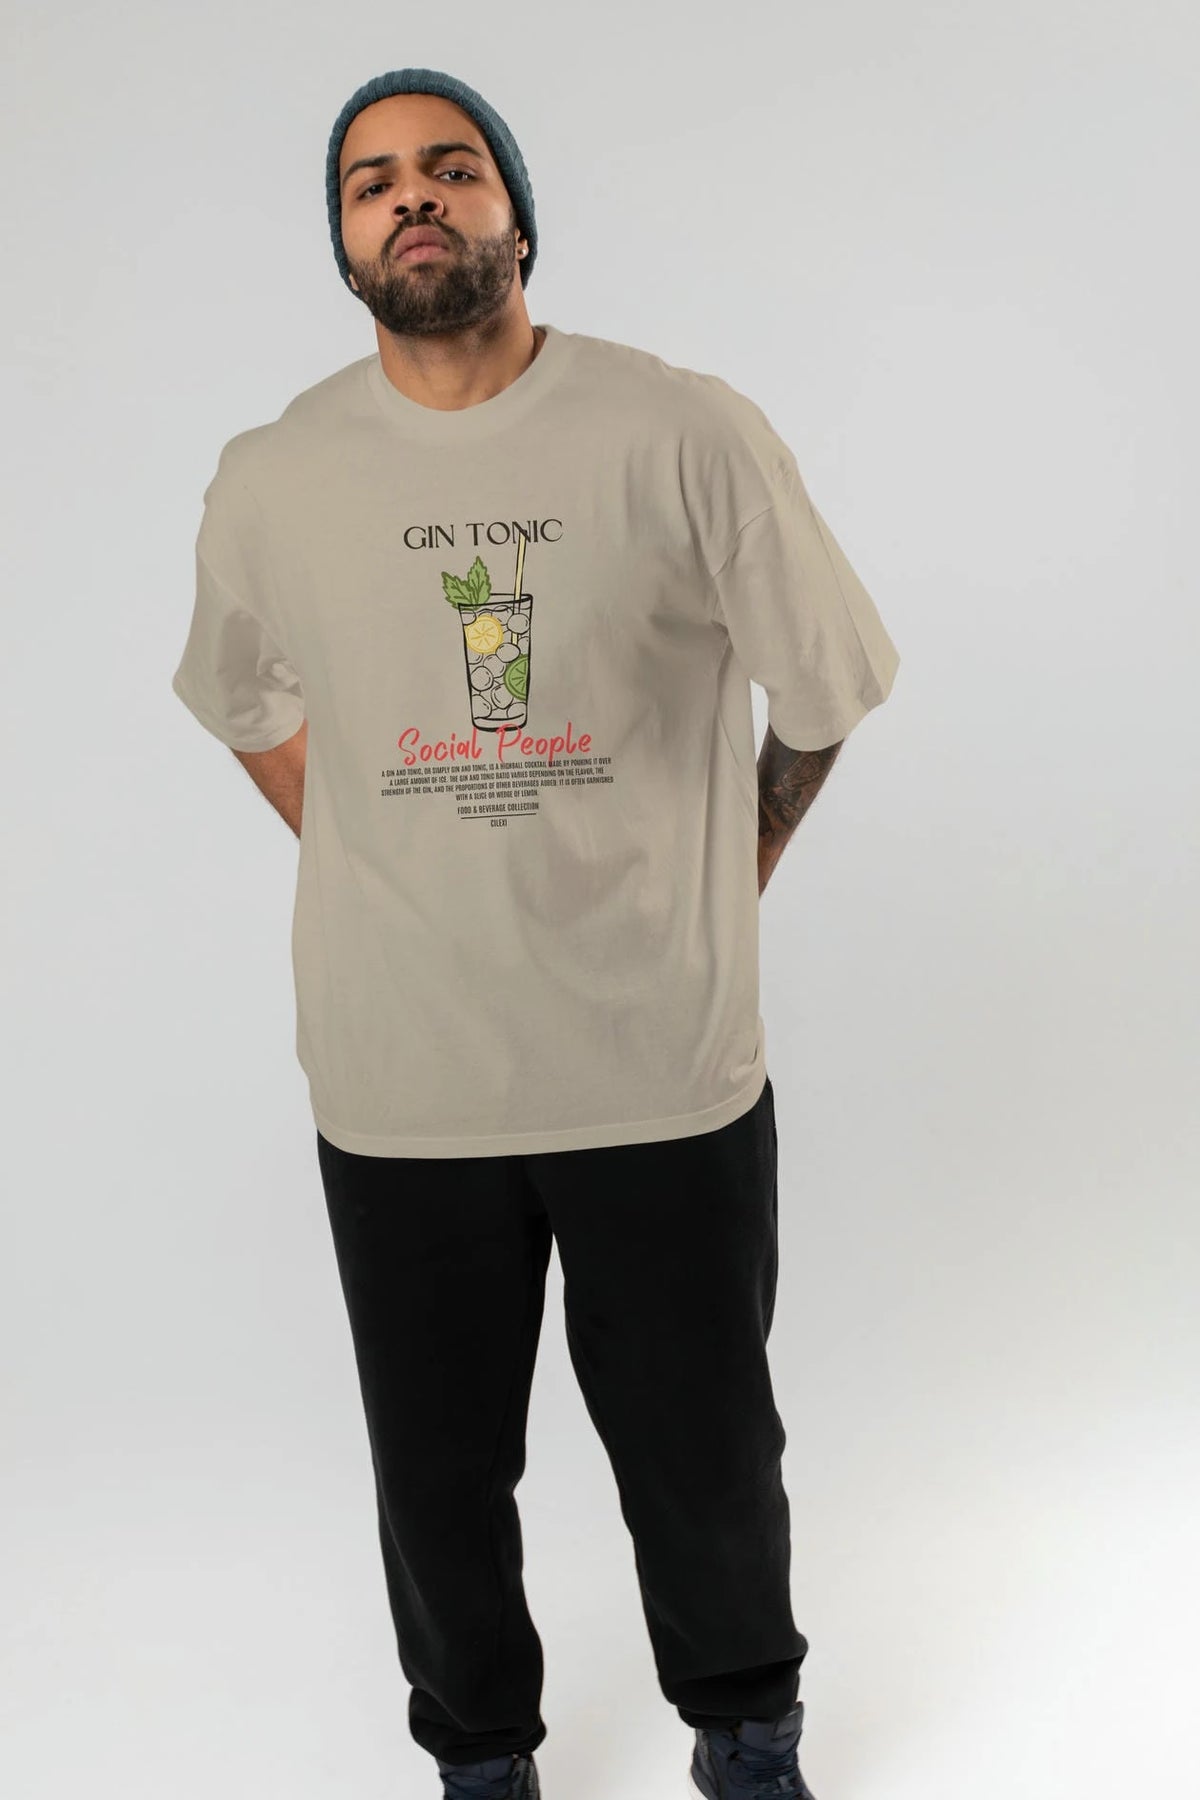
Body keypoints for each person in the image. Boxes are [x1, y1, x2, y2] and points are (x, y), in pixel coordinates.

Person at [170, 66, 900, 1800]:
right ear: (344, 242)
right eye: (372, 183)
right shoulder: (275, 475)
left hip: (659, 1061)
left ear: (516, 213)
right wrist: (374, 846)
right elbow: (241, 698)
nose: (413, 197)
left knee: (705, 1449)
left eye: (452, 167)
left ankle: (747, 1732)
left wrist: (737, 860)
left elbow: (825, 686)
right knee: (435, 1473)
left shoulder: (681, 432)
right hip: (403, 1079)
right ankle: (481, 1760)